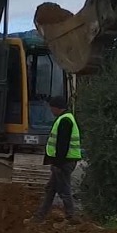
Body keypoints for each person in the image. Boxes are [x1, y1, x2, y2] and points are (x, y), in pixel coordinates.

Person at [33, 94, 81, 222]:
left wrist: (57, 163)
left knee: (64, 189)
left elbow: (62, 145)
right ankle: (39, 217)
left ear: (57, 108)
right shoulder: (66, 118)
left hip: (64, 162)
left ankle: (71, 217)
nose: (51, 111)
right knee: (50, 189)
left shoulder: (65, 120)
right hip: (63, 162)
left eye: (52, 108)